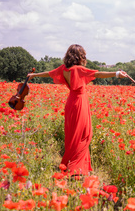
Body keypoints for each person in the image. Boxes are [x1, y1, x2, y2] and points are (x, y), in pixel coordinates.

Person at [27, 44, 127, 176]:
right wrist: (116, 73)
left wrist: (34, 75)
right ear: (80, 56)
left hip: (71, 103)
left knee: (73, 135)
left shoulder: (64, 69)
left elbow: (49, 73)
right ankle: (75, 167)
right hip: (80, 104)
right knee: (83, 134)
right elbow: (98, 74)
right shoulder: (78, 69)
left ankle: (77, 165)